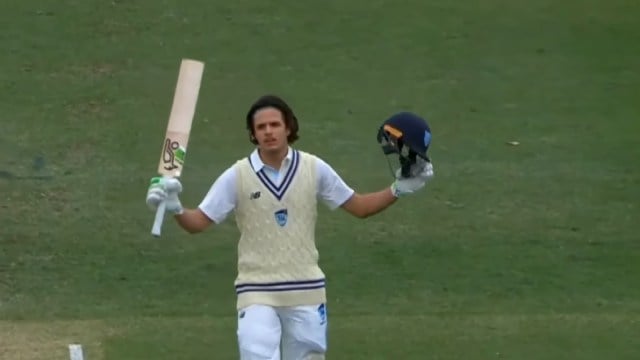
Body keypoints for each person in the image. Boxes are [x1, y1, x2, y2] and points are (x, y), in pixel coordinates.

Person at [145, 95, 434, 360]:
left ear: (288, 128)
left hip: (306, 289)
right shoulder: (237, 176)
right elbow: (198, 223)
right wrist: (176, 208)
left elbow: (359, 207)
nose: (268, 131)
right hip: (256, 289)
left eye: (274, 124)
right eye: (261, 127)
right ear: (253, 133)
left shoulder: (313, 168)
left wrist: (398, 189)